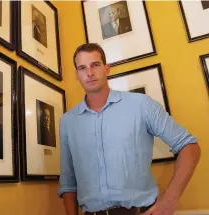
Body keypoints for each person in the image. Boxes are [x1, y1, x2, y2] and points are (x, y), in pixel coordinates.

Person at [57, 43, 201, 215]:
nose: (89, 73)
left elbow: (190, 146)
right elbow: (68, 181)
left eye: (95, 65)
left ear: (107, 69)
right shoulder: (68, 121)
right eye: (82, 68)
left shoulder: (141, 105)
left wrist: (170, 199)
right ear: (77, 75)